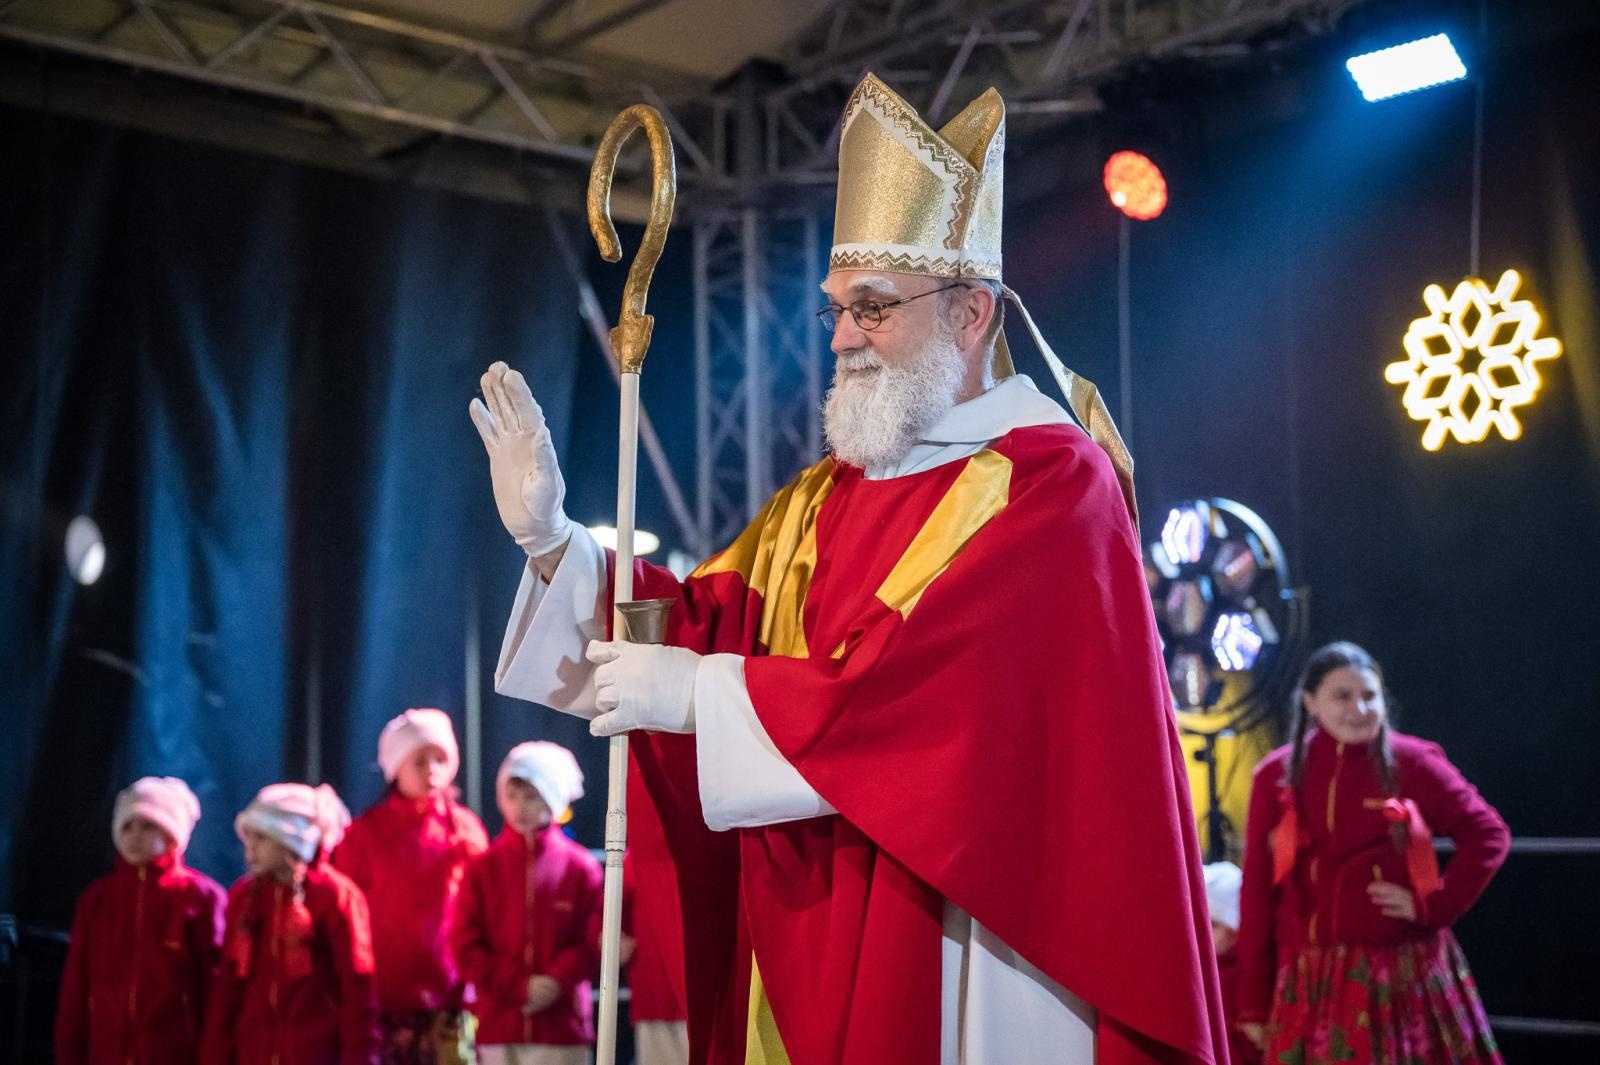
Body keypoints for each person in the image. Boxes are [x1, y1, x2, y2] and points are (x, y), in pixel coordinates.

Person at [472, 73, 1225, 1065]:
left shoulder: (1049, 481)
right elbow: (704, 620)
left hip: (970, 929)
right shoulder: (822, 496)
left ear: (971, 313)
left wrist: (699, 694)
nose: (838, 338)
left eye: (871, 308)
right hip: (816, 914)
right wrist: (555, 543)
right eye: (834, 309)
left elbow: (932, 700)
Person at [1236, 642, 1509, 1064]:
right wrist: (1252, 1002)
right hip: (1308, 980)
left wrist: (1434, 906)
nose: (1358, 709)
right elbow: (1256, 893)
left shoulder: (1412, 763)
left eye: (1369, 696)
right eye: (1342, 696)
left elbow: (1488, 835)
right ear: (1310, 702)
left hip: (1396, 976)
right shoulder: (1275, 775)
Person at [335, 708, 489, 1064]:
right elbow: (344, 920)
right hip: (384, 1002)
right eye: (419, 760)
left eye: (440, 759)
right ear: (395, 767)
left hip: (451, 999)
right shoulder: (363, 835)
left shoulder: (466, 830)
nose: (431, 769)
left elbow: (484, 911)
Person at [202, 782, 380, 1065]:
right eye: (248, 839)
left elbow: (357, 989)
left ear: (289, 841)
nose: (250, 849)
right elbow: (229, 988)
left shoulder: (335, 896)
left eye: (261, 839)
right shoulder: (245, 898)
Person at [55, 776, 227, 1065]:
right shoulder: (97, 900)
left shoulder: (202, 897)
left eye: (148, 826)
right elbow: (76, 988)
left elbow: (216, 993)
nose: (134, 836)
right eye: (127, 826)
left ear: (172, 834)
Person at [453, 741, 603, 1065]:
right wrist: (518, 986)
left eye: (531, 796)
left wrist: (556, 980)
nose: (520, 806)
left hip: (562, 1029)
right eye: (512, 795)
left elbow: (593, 940)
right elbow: (465, 946)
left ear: (553, 797)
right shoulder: (483, 869)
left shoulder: (581, 868)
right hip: (499, 1026)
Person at [622, 852, 688, 1065]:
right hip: (655, 998)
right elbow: (608, 917)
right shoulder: (636, 857)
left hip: (710, 1000)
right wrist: (614, 941)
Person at [1204, 861, 1258, 1065]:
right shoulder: (1201, 975)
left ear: (1235, 929)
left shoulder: (1242, 978)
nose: (1203, 933)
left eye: (1213, 925)